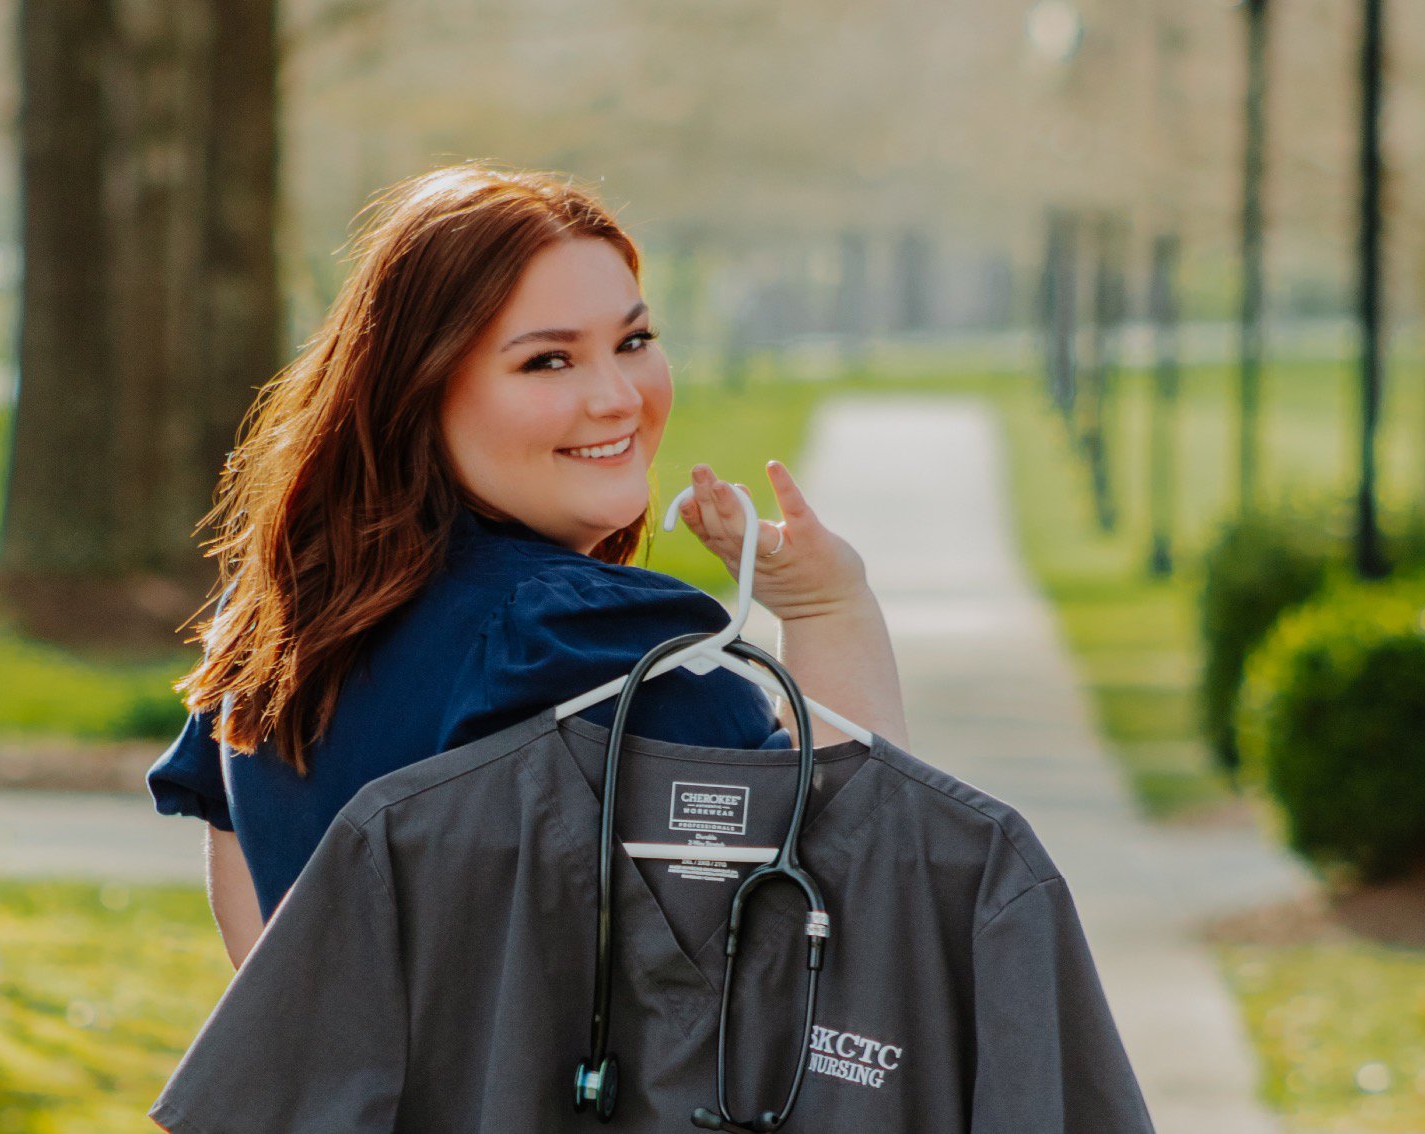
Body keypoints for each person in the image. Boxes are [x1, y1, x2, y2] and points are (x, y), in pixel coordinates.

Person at [147, 163, 908, 969]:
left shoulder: (288, 616)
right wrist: (830, 609)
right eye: (548, 361)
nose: (618, 396)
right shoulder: (577, 640)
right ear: (421, 388)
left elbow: (261, 969)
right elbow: (852, 889)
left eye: (634, 341)